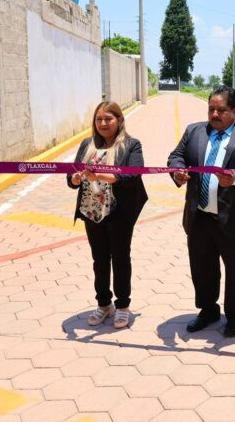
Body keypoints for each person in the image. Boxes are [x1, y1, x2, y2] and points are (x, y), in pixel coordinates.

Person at [168, 85, 235, 337]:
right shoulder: (194, 132)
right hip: (200, 215)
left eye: (221, 110)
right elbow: (176, 156)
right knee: (202, 268)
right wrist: (177, 171)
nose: (214, 115)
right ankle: (208, 309)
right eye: (211, 109)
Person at [67, 101, 148, 329]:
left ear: (119, 120)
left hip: (119, 212)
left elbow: (133, 175)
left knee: (121, 259)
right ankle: (104, 304)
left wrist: (100, 176)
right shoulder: (86, 145)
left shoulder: (131, 145)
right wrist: (74, 179)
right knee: (99, 261)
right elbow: (73, 176)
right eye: (99, 119)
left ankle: (123, 306)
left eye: (108, 119)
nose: (103, 123)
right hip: (92, 211)